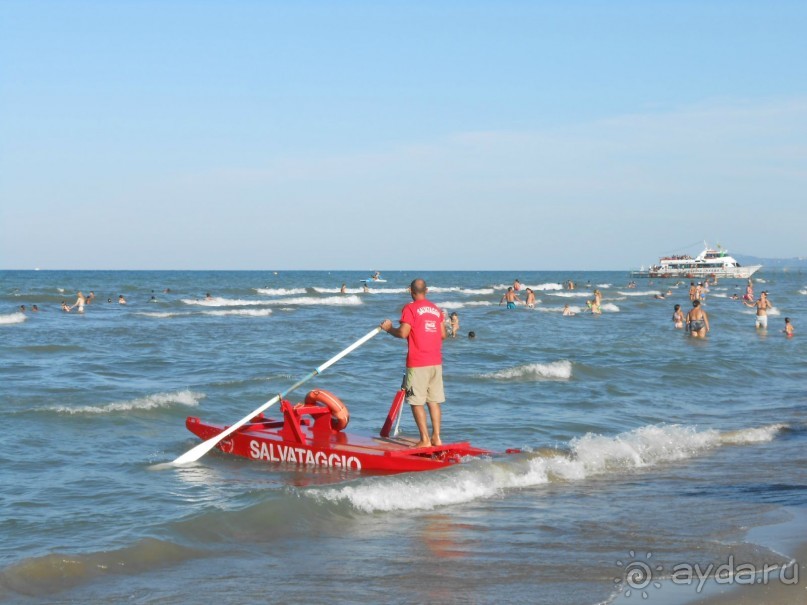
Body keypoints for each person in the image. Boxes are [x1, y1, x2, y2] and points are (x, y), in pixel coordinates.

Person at [380, 278, 446, 448]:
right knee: (433, 401)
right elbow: (443, 334)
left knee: (416, 401)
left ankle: (425, 440)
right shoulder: (436, 309)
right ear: (427, 290)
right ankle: (436, 438)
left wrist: (388, 329)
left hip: (418, 363)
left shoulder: (410, 308)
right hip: (436, 362)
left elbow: (403, 333)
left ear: (410, 290)